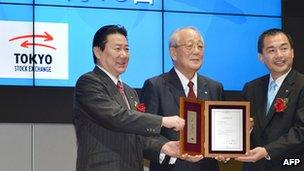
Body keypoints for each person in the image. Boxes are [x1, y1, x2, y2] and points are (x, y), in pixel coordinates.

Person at [73, 24, 186, 171]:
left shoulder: (130, 91)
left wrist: (164, 146)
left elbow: (137, 135)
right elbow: (116, 117)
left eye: (126, 49)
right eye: (117, 49)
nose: (124, 55)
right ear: (98, 51)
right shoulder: (89, 82)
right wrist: (163, 121)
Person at [140, 26, 224, 171]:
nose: (197, 51)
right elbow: (145, 133)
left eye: (200, 46)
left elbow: (220, 131)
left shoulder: (214, 87)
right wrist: (168, 148)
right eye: (190, 46)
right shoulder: (155, 85)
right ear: (173, 52)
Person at [236, 28, 304, 171]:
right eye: (272, 50)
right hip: (253, 167)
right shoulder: (251, 88)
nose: (279, 55)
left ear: (292, 52)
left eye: (284, 48)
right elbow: (241, 130)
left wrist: (267, 151)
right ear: (261, 57)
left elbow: (301, 131)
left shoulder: (301, 85)